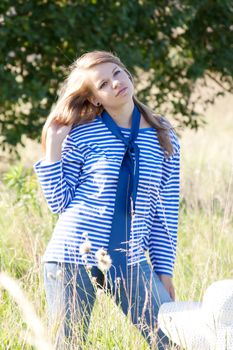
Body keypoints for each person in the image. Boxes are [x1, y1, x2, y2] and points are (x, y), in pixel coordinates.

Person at [34, 50, 180, 350]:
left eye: (117, 73)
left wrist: (164, 271)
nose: (115, 83)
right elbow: (59, 203)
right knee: (67, 345)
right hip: (72, 256)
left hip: (130, 257)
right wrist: (52, 152)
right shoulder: (82, 135)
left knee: (173, 340)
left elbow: (163, 213)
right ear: (96, 99)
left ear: (127, 74)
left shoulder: (163, 136)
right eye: (102, 84)